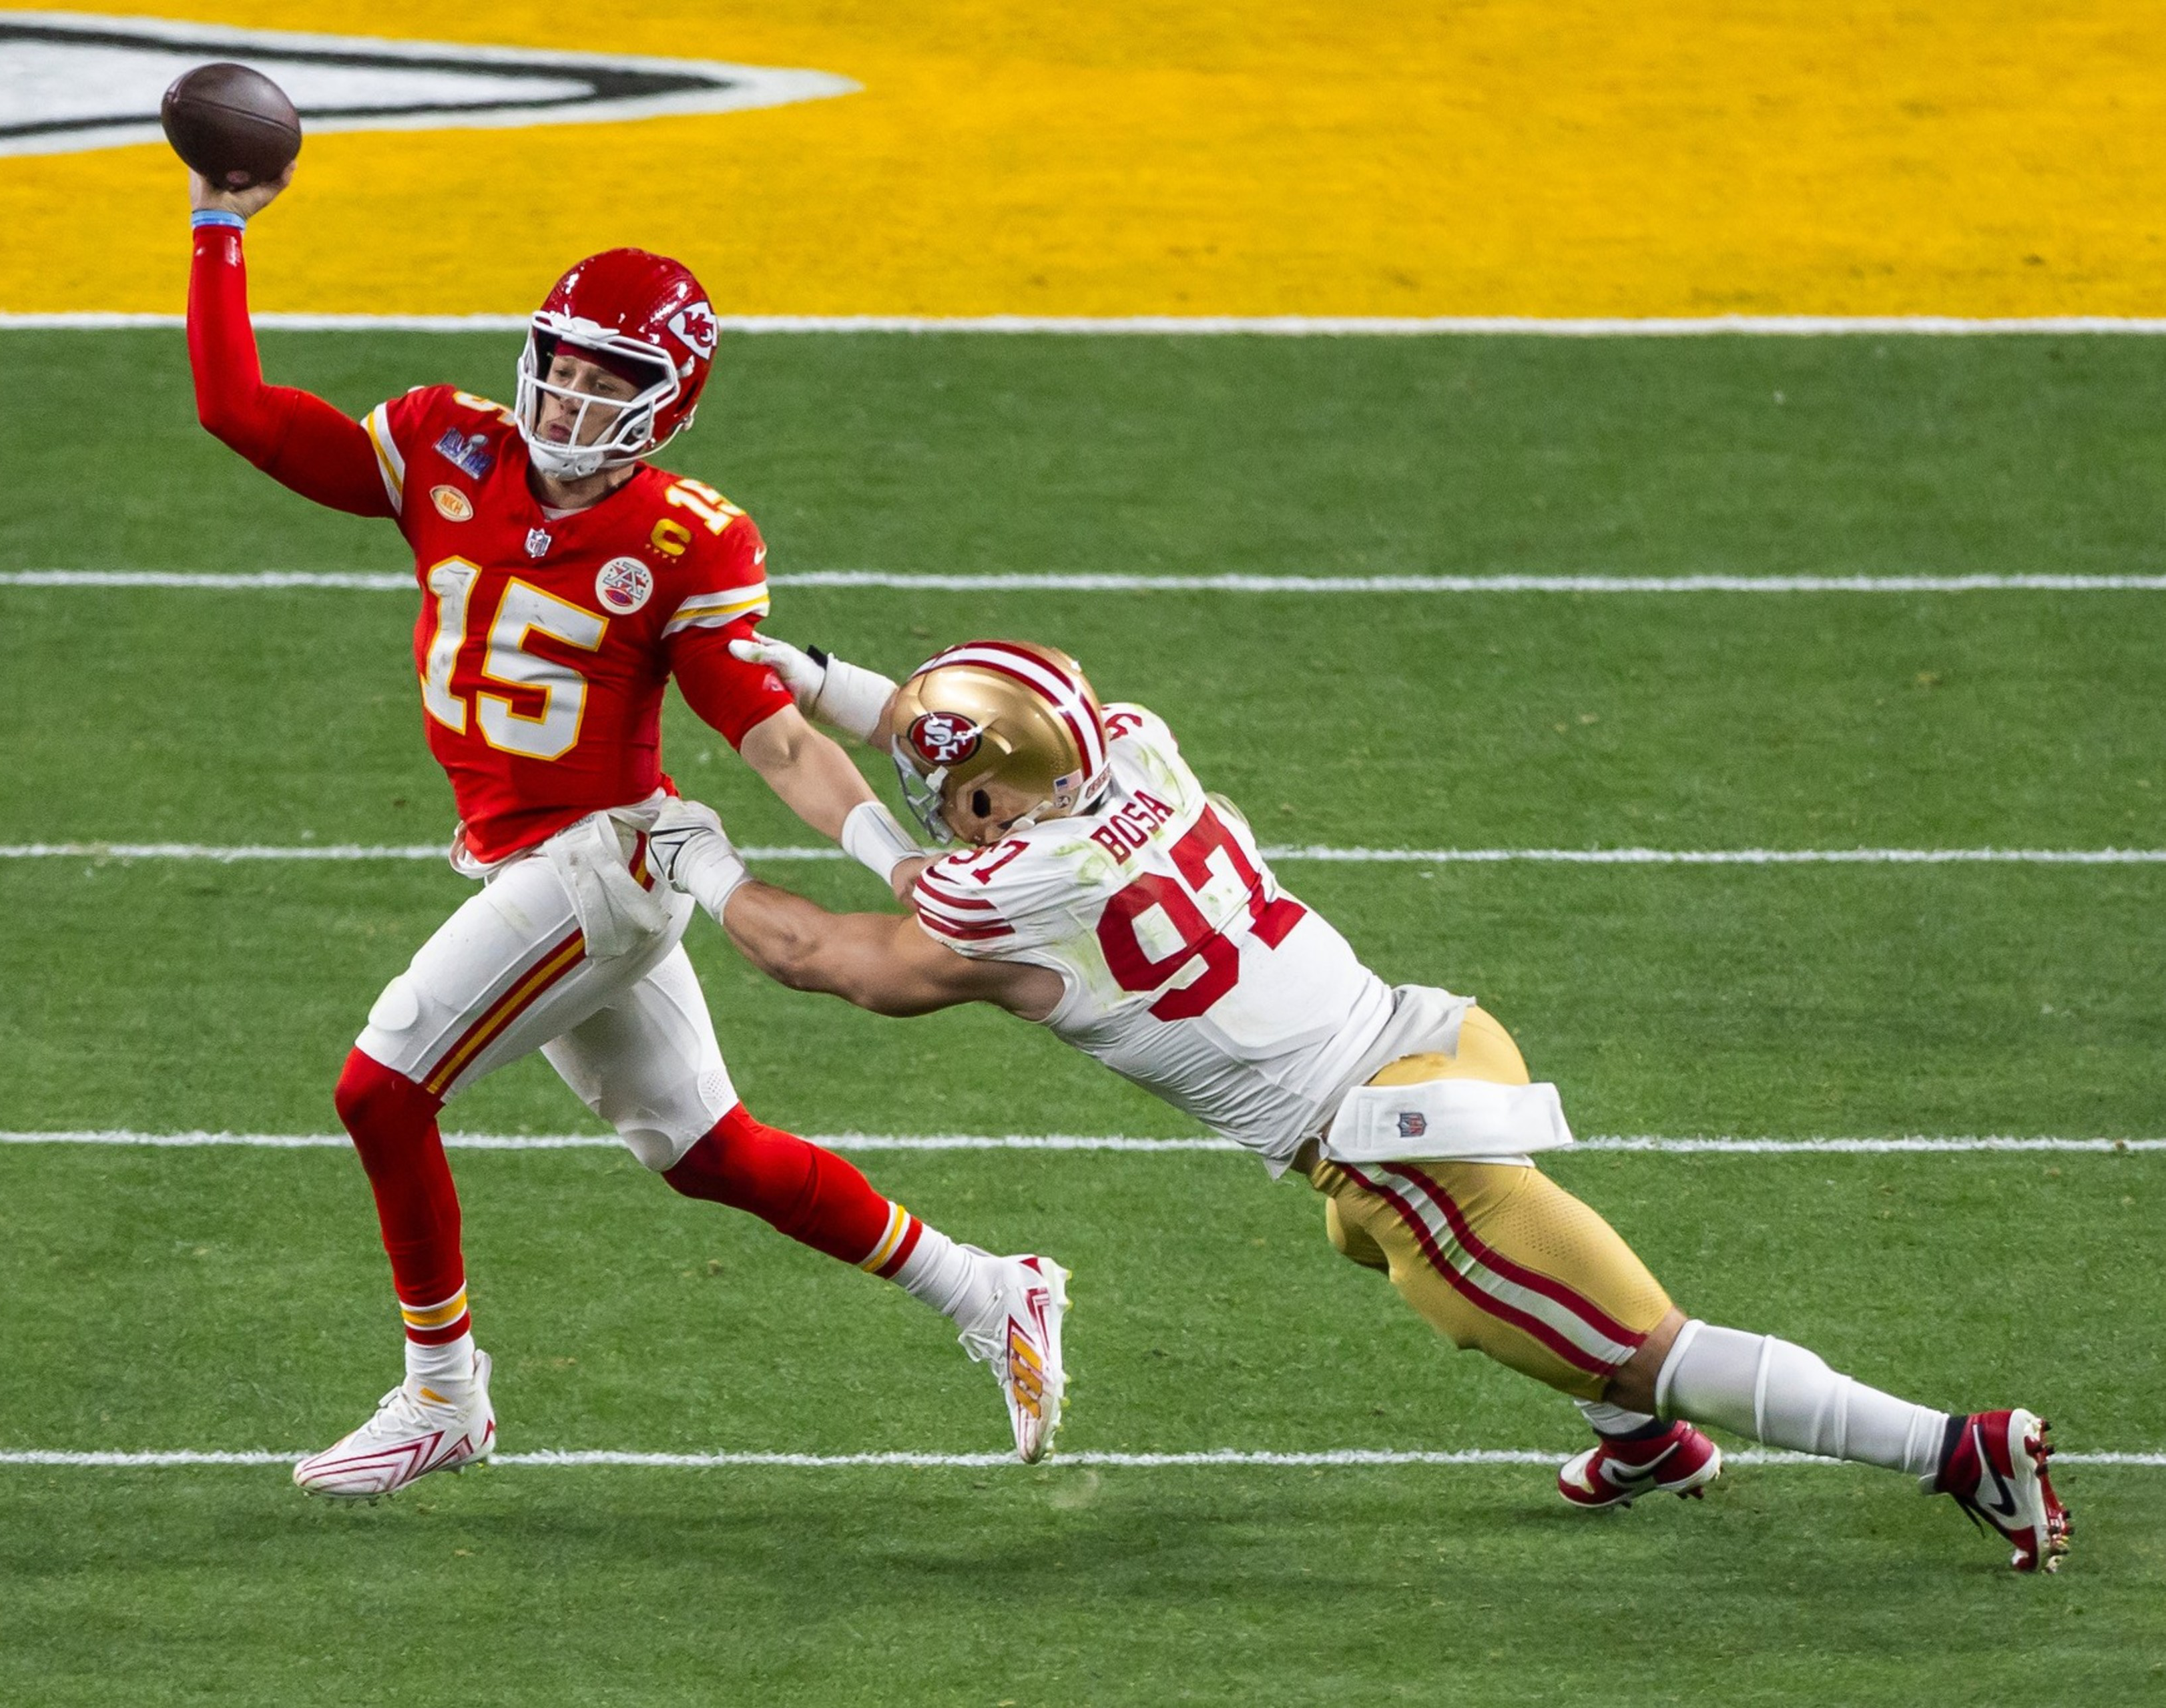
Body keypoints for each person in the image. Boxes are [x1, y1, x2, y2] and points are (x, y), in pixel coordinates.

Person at [643, 633, 2072, 1573]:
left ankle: (1956, 1450)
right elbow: (988, 771)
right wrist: (819, 677)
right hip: (1437, 1036)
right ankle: (1646, 1445)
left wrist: (697, 856)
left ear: (995, 795)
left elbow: (832, 953)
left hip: (1396, 1143)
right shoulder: (1131, 745)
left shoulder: (1005, 888)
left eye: (947, 781)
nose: (930, 791)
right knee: (1366, 1242)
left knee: (1647, 1340)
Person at [183, 167, 1067, 1494]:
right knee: (708, 1153)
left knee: (382, 1089)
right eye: (560, 365)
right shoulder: (447, 446)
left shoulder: (682, 540)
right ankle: (989, 1288)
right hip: (529, 860)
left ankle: (444, 1395)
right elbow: (239, 412)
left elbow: (774, 733)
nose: (569, 399)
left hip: (603, 864)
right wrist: (219, 222)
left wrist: (897, 862)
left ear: (668, 404)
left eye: (609, 381)